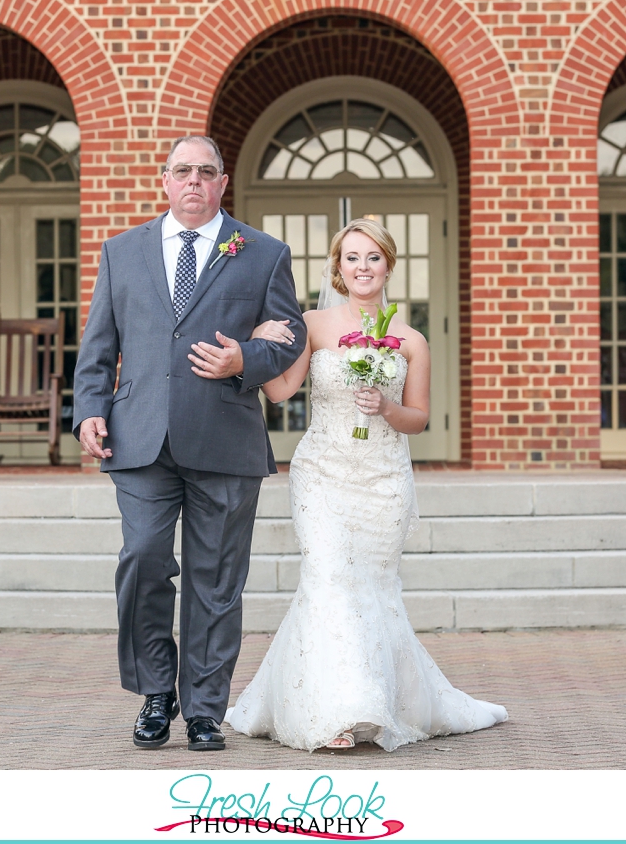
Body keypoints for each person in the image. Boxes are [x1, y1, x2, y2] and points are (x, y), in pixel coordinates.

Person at [223, 219, 508, 751]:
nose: (362, 267)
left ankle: (379, 701)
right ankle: (341, 711)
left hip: (384, 480)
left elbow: (419, 419)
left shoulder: (412, 341)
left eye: (373, 257)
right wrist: (254, 346)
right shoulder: (313, 323)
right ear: (338, 267)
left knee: (372, 592)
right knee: (329, 580)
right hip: (323, 474)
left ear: (388, 265)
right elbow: (282, 392)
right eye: (352, 257)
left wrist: (388, 406)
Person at [72, 135, 306, 751]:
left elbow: (290, 335)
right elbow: (99, 341)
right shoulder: (122, 251)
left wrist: (245, 359)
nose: (194, 182)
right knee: (143, 560)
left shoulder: (263, 252)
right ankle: (156, 691)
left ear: (222, 182)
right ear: (166, 180)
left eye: (206, 172)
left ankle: (204, 707)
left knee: (217, 578)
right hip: (140, 439)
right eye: (183, 171)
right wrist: (89, 410)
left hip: (225, 438)